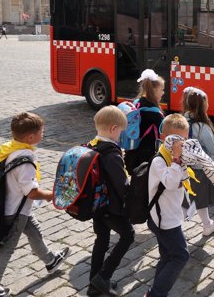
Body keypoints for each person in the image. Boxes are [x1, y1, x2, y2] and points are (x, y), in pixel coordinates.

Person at [0, 112, 69, 297]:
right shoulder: (25, 161)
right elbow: (32, 192)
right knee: (6, 250)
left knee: (33, 229)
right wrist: (51, 195)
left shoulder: (7, 149)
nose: (43, 134)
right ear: (31, 137)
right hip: (15, 210)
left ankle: (50, 260)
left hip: (12, 206)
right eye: (41, 131)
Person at [88, 106, 134, 297]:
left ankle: (94, 285)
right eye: (121, 132)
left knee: (102, 241)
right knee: (128, 235)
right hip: (111, 207)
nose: (120, 136)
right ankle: (103, 276)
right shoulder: (111, 153)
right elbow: (121, 185)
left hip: (96, 205)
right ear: (114, 129)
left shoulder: (92, 145)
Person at [147, 114, 192, 297]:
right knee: (181, 256)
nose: (183, 144)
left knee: (167, 255)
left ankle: (156, 291)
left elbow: (180, 181)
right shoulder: (160, 160)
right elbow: (172, 183)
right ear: (167, 140)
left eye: (186, 140)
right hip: (164, 220)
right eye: (179, 141)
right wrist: (176, 159)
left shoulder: (173, 158)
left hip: (168, 215)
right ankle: (155, 294)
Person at [183, 87, 214, 236]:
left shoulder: (183, 120)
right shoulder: (201, 127)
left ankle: (207, 224)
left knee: (192, 198)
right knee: (195, 199)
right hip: (200, 168)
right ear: (202, 105)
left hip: (185, 167)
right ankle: (176, 229)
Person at [124, 69, 164, 173]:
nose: (163, 93)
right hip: (147, 155)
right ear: (154, 90)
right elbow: (163, 133)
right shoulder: (155, 113)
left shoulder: (137, 103)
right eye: (161, 90)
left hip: (132, 150)